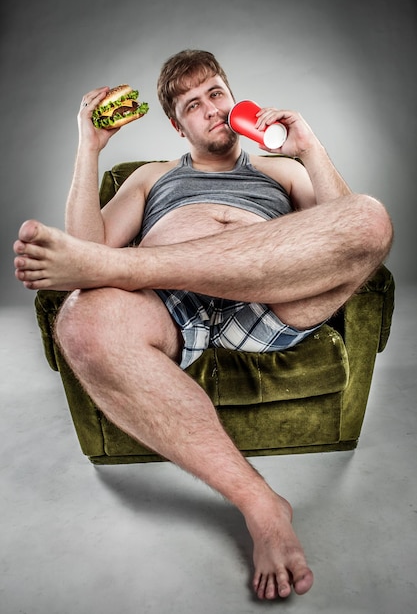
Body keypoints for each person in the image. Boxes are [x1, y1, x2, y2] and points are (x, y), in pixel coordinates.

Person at [13, 49, 393, 600]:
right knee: (80, 321)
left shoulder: (280, 169)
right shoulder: (151, 176)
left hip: (270, 303)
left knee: (371, 216)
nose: (211, 108)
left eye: (216, 92)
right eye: (193, 104)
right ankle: (262, 505)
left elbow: (347, 237)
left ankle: (126, 265)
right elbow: (84, 249)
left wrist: (309, 149)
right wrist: (88, 146)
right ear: (177, 123)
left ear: (233, 96)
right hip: (174, 307)